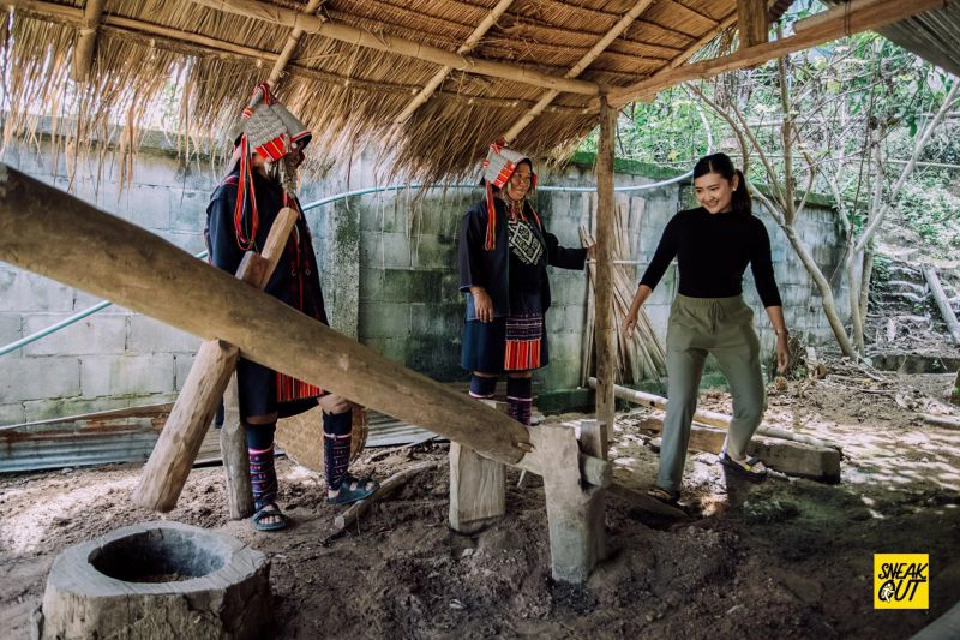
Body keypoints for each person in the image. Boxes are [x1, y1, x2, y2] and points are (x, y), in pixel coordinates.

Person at [206, 85, 376, 532]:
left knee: (337, 395)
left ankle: (337, 483)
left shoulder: (287, 198)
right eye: (294, 151)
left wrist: (318, 323)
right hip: (259, 330)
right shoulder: (228, 199)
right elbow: (223, 277)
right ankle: (265, 502)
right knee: (258, 413)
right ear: (268, 150)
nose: (299, 159)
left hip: (303, 325)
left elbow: (306, 269)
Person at [623, 152, 789, 506]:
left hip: (732, 321)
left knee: (752, 403)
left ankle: (734, 452)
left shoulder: (752, 229)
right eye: (700, 190)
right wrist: (634, 308)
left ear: (733, 183)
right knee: (681, 402)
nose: (707, 197)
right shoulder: (683, 223)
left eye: (713, 188)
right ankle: (667, 484)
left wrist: (781, 334)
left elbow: (767, 284)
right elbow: (655, 268)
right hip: (687, 321)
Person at [458, 140, 592, 424]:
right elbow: (468, 255)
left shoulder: (531, 216)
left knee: (523, 368)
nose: (522, 182)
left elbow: (551, 251)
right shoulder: (480, 214)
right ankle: (478, 432)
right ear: (501, 178)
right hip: (494, 304)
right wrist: (478, 291)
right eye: (516, 176)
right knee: (486, 366)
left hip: (528, 305)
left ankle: (520, 430)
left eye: (526, 177)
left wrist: (587, 254)